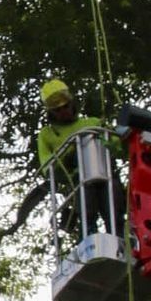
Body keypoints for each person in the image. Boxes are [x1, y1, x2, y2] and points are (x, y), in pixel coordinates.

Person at [32, 78, 114, 237]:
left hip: (105, 175)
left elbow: (117, 147)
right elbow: (47, 167)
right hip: (77, 180)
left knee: (113, 203)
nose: (63, 111)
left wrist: (117, 137)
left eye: (66, 107)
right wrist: (68, 153)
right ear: (51, 112)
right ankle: (89, 236)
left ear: (72, 104)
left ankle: (118, 235)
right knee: (86, 204)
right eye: (57, 110)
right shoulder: (47, 135)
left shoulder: (93, 123)